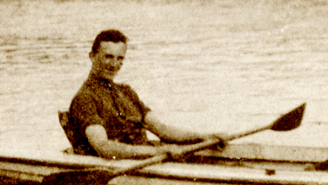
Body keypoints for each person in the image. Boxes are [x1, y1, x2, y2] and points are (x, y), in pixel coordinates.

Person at [67, 29, 224, 159]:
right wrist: (159, 151)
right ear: (92, 56)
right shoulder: (85, 98)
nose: (114, 64)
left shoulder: (127, 92)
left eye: (120, 58)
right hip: (125, 163)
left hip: (147, 156)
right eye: (108, 57)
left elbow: (162, 130)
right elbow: (104, 147)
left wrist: (204, 137)